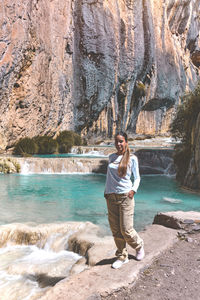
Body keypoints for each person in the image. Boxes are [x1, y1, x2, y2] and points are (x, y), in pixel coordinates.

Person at [104, 131, 144, 269]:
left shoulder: (132, 158)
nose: (118, 144)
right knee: (116, 230)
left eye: (121, 141)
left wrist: (133, 190)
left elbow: (137, 177)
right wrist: (106, 191)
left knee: (126, 229)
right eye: (116, 141)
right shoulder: (111, 157)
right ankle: (122, 256)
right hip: (111, 197)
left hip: (125, 197)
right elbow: (109, 177)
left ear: (126, 142)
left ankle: (139, 246)